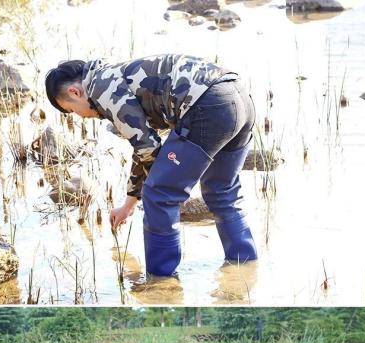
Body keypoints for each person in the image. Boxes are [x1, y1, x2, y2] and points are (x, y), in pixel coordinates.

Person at [44, 54, 257, 277]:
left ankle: (161, 281)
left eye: (71, 110)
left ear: (74, 92)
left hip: (207, 104)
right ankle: (245, 270)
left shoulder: (102, 89)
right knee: (222, 191)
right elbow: (145, 148)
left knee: (159, 195)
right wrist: (129, 203)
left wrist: (148, 190)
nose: (81, 117)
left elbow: (147, 148)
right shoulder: (110, 74)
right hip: (239, 96)